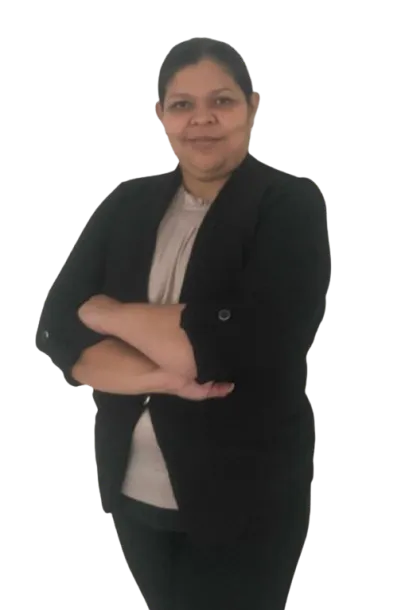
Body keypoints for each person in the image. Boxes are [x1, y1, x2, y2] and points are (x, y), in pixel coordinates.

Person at [33, 36, 330, 610]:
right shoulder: (128, 203)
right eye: (182, 104)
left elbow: (240, 344)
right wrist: (161, 377)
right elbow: (58, 329)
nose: (202, 119)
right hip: (132, 487)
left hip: (246, 496)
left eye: (221, 101)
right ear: (160, 114)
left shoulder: (289, 205)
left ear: (253, 105)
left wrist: (109, 313)